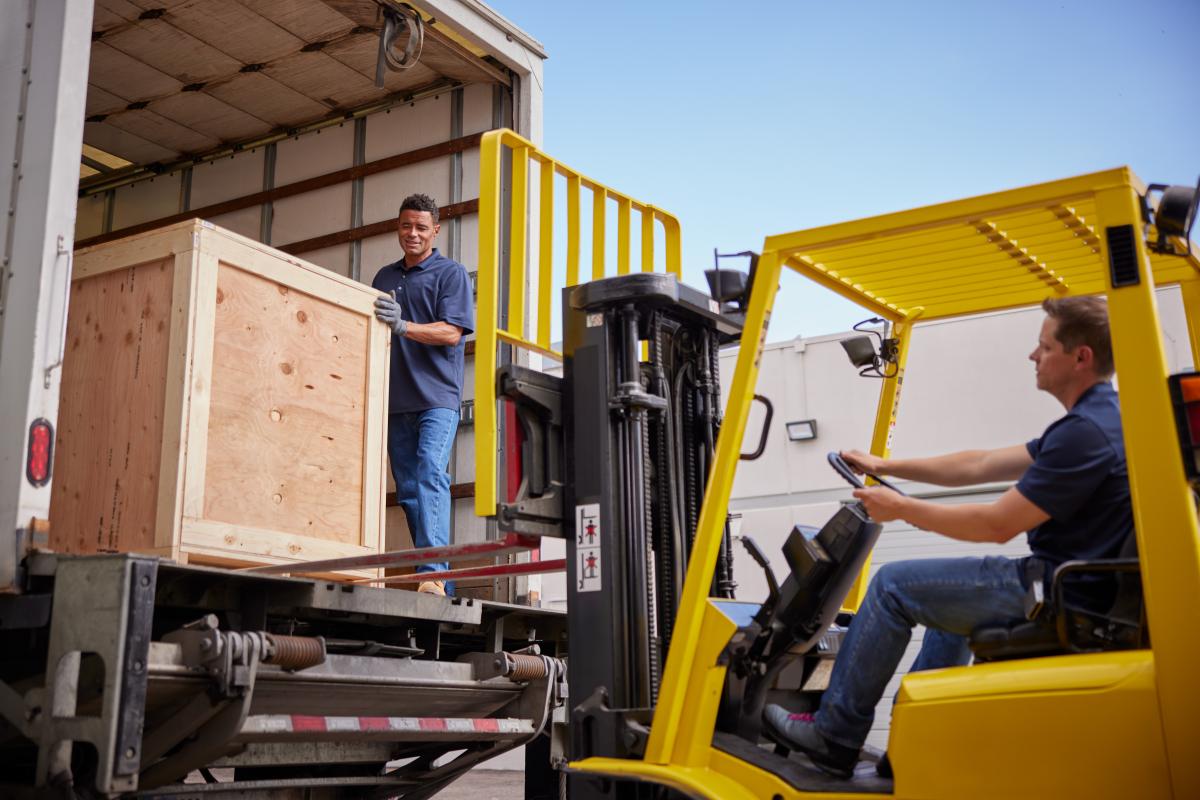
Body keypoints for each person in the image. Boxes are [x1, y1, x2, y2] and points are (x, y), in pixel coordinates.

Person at [763, 295, 1132, 777]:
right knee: (940, 600)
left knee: (893, 585)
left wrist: (899, 508)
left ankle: (834, 733)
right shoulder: (1099, 421)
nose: (1032, 356)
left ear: (1080, 357)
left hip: (1057, 594)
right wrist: (886, 466)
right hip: (1069, 589)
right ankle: (915, 741)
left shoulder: (1085, 434)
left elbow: (996, 526)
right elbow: (978, 464)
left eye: (1044, 346)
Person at [372, 193, 474, 596]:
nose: (412, 233)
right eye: (405, 226)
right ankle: (435, 578)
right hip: (396, 401)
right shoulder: (384, 278)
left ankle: (433, 572)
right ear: (397, 228)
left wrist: (404, 327)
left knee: (431, 472)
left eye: (420, 227)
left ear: (435, 230)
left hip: (437, 399)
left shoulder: (451, 274)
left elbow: (452, 332)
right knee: (409, 489)